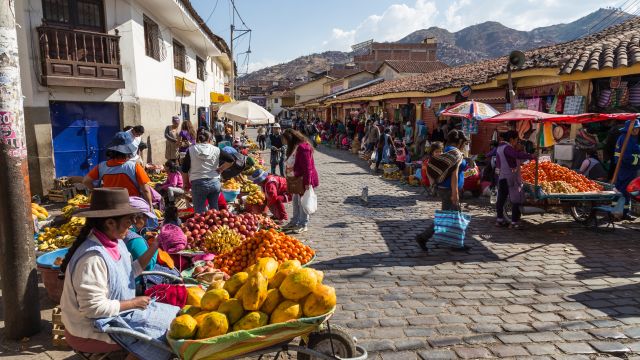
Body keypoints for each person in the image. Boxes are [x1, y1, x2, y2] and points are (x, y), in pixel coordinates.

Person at [59, 188, 176, 359]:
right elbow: (93, 309)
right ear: (110, 223)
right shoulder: (92, 258)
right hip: (89, 329)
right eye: (129, 220)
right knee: (160, 338)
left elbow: (129, 272)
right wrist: (133, 303)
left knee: (172, 320)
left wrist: (155, 245)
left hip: (114, 317)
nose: (132, 224)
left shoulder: (116, 242)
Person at [416, 130, 469, 251]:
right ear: (459, 141)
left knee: (451, 216)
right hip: (449, 190)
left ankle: (453, 242)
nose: (464, 145)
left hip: (445, 189)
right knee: (449, 217)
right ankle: (424, 237)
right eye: (464, 142)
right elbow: (454, 175)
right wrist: (455, 193)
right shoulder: (454, 152)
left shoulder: (447, 150)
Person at [125, 197, 180, 292]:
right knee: (175, 276)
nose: (146, 222)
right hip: (136, 284)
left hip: (127, 279)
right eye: (145, 217)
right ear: (135, 218)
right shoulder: (135, 240)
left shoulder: (118, 235)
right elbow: (148, 265)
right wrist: (155, 244)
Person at [84, 132, 153, 206]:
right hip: (131, 207)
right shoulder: (135, 167)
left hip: (110, 205)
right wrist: (150, 206)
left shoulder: (101, 167)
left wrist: (96, 191)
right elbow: (145, 190)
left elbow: (86, 181)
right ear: (128, 150)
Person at [487, 131, 536, 228]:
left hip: (501, 176)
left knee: (501, 199)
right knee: (516, 199)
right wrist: (531, 156)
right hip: (510, 177)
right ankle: (514, 222)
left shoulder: (499, 147)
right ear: (511, 140)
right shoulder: (507, 148)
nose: (517, 142)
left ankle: (499, 220)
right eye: (516, 140)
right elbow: (516, 155)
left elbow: (489, 155)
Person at [181, 130, 234, 214]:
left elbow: (184, 169)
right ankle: (216, 226)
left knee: (199, 214)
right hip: (214, 183)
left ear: (198, 139)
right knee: (214, 211)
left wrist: (186, 183)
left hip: (198, 184)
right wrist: (221, 169)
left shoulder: (191, 150)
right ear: (210, 140)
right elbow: (231, 160)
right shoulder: (216, 149)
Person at [282, 129, 319, 233]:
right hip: (296, 179)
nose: (284, 142)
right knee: (295, 201)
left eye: (285, 140)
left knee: (302, 202)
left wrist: (307, 183)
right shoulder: (296, 147)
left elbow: (307, 167)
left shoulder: (303, 148)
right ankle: (295, 221)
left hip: (303, 180)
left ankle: (303, 224)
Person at [613, 118, 640, 220]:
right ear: (630, 129)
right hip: (626, 169)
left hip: (628, 169)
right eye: (636, 128)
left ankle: (623, 212)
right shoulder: (626, 139)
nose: (637, 130)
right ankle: (618, 212)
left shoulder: (630, 138)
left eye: (638, 128)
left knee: (626, 190)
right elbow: (627, 157)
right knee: (623, 190)